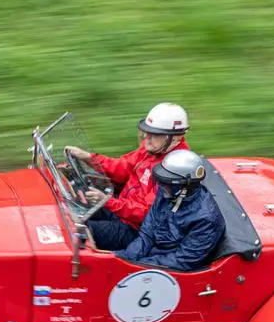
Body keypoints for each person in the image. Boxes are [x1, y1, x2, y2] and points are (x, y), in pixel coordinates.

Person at [65, 102, 190, 250]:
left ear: (176, 138)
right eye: (146, 131)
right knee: (74, 205)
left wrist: (108, 202)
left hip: (139, 231)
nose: (146, 137)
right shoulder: (153, 148)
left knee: (78, 232)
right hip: (122, 209)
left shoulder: (173, 173)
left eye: (154, 134)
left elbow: (147, 213)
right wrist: (88, 157)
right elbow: (122, 168)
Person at [115, 149, 226, 272]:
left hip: (169, 273)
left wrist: (135, 266)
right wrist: (125, 259)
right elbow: (147, 233)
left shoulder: (206, 219)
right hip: (150, 262)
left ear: (186, 185)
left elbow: (181, 261)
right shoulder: (168, 192)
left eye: (168, 182)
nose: (162, 186)